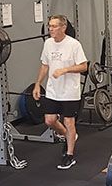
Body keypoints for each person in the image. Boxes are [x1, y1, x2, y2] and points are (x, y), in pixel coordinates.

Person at [33, 14, 88, 170]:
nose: (50, 29)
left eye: (54, 26)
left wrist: (65, 69)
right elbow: (45, 65)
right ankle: (69, 136)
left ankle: (69, 155)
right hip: (52, 91)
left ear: (63, 27)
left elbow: (84, 66)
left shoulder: (74, 45)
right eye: (49, 26)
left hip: (70, 91)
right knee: (49, 121)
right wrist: (37, 84)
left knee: (69, 122)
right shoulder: (48, 44)